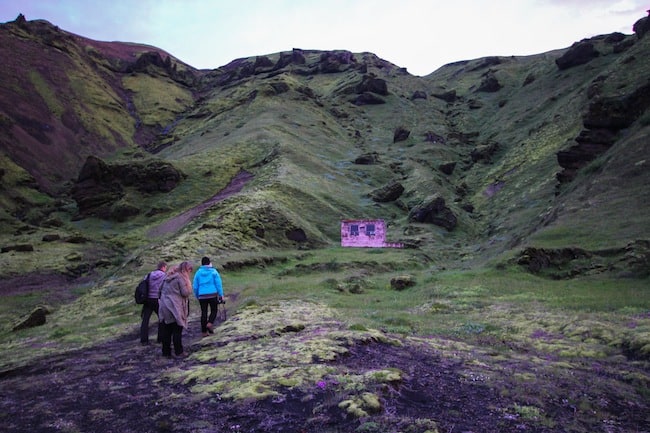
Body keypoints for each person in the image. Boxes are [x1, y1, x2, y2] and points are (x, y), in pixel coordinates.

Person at [158, 261, 193, 358]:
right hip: (175, 306)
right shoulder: (180, 278)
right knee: (177, 329)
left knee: (167, 330)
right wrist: (188, 285)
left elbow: (159, 290)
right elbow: (185, 293)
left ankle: (166, 352)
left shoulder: (166, 278)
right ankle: (179, 351)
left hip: (164, 306)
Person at [193, 256, 224, 337]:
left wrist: (197, 295)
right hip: (213, 294)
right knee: (214, 310)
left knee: (204, 312)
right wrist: (221, 295)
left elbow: (195, 286)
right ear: (209, 263)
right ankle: (210, 323)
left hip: (202, 295)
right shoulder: (214, 271)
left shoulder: (198, 273)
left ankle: (204, 331)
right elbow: (218, 284)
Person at [139, 261, 167, 345]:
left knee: (145, 320)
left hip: (148, 300)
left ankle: (144, 340)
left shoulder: (149, 275)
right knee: (162, 319)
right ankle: (161, 338)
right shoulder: (164, 276)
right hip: (158, 299)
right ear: (163, 267)